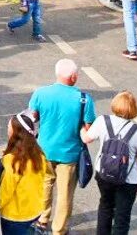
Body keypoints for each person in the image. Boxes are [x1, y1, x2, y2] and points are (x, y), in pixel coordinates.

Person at [28, 59, 95, 235]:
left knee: (44, 185)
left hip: (44, 150)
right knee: (65, 194)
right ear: (73, 77)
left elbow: (32, 118)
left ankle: (42, 220)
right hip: (70, 154)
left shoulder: (40, 93)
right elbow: (89, 129)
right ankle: (59, 229)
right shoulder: (84, 100)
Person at [83, 91, 137, 235]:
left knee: (105, 206)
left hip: (104, 173)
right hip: (128, 179)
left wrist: (81, 128)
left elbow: (87, 139)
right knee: (122, 216)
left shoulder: (102, 121)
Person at [0, 110, 48, 235]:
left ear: (16, 132)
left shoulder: (11, 160)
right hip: (35, 211)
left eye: (9, 127)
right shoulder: (39, 155)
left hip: (14, 216)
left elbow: (5, 192)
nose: (7, 129)